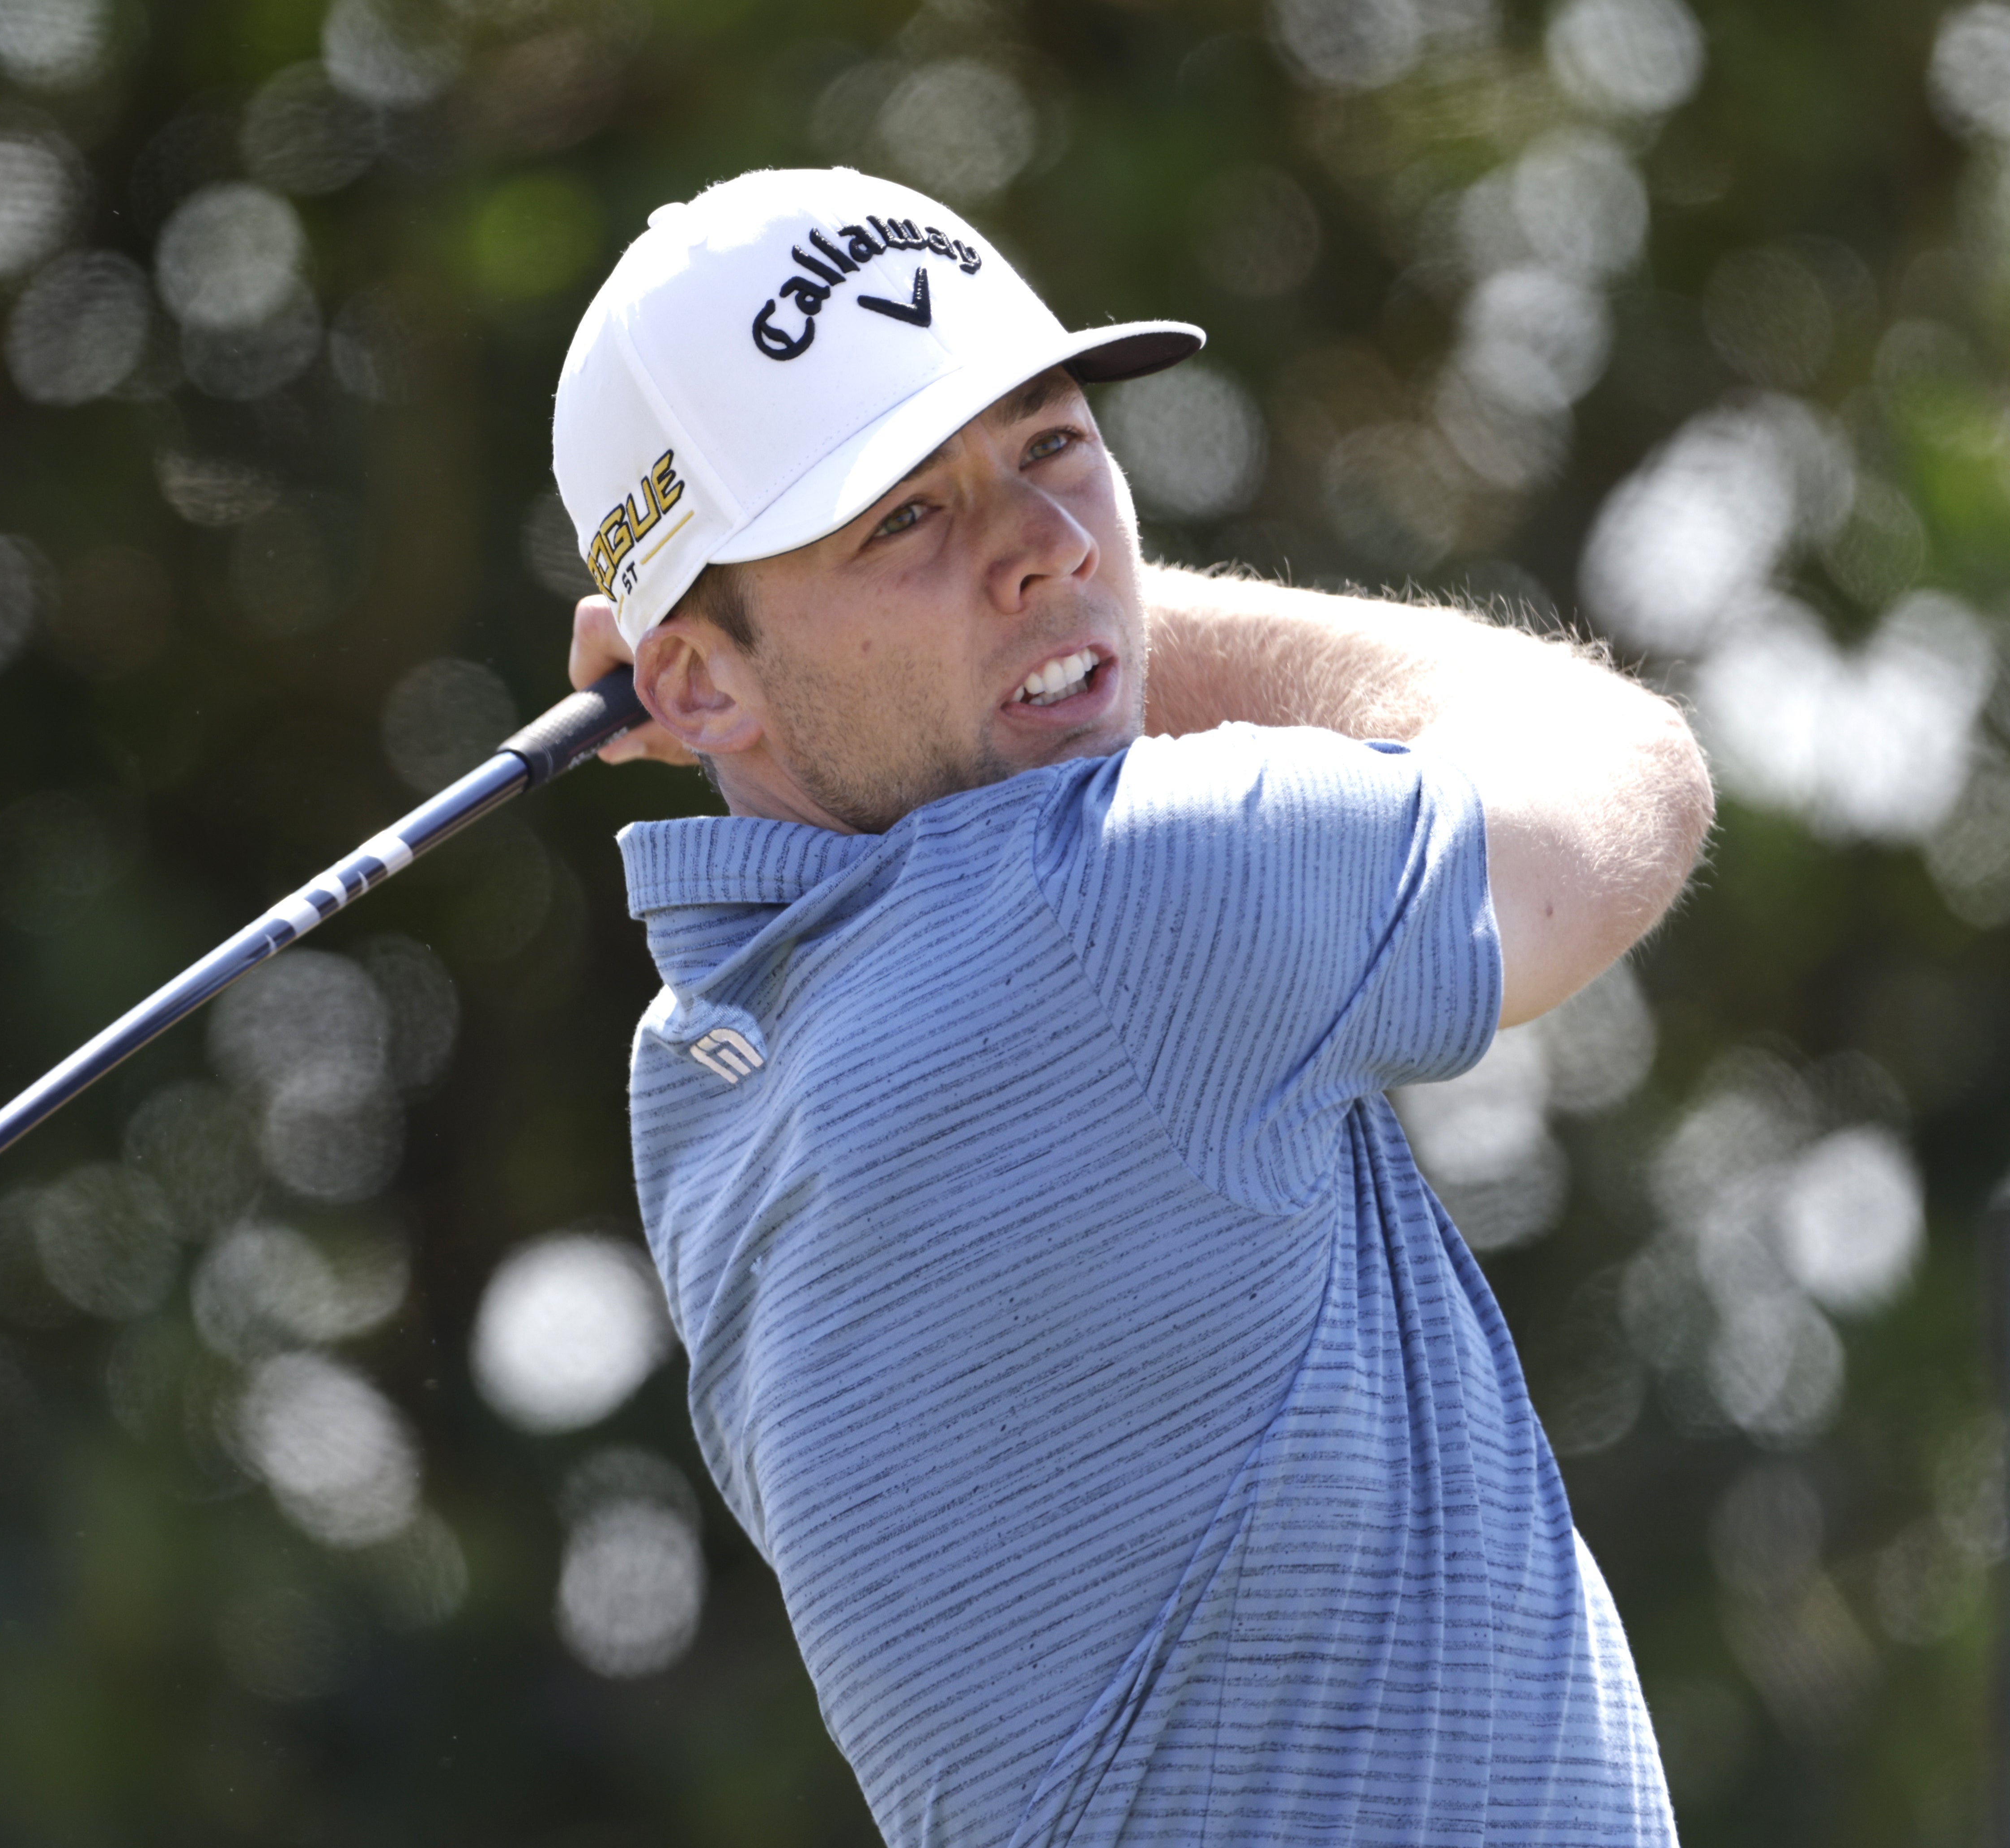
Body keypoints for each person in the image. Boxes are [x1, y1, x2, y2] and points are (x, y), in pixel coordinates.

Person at [551, 167, 1712, 1846]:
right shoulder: (1117, 909)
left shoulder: (710, 1076)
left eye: (1053, 444)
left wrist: (810, 663)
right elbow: (1626, 786)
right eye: (903, 516)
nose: (1050, 545)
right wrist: (1100, 625)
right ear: (689, 682)